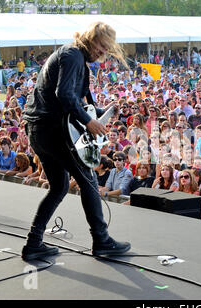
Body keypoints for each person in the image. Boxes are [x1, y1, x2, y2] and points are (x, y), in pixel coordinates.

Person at [21, 22, 131, 261]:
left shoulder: (73, 55)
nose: (103, 52)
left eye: (106, 49)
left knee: (60, 187)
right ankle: (101, 240)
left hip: (40, 130)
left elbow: (76, 103)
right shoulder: (72, 55)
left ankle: (33, 243)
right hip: (52, 129)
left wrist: (103, 111)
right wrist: (89, 122)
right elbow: (64, 95)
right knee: (89, 180)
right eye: (101, 46)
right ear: (90, 38)